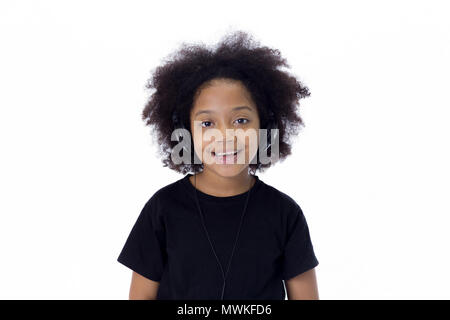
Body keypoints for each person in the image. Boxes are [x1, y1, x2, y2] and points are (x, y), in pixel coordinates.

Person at [117, 30, 319, 300]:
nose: (225, 136)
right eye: (207, 123)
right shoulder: (163, 209)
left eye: (240, 121)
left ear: (265, 125)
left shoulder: (285, 214)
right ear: (185, 131)